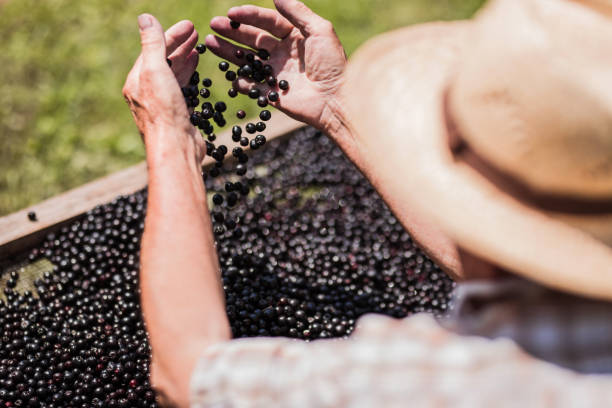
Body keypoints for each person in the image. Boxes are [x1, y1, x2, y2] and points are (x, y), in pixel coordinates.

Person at [122, 0, 612, 406]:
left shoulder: (451, 380)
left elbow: (189, 371)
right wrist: (337, 107)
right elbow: (521, 259)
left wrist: (170, 135)